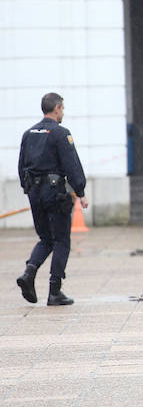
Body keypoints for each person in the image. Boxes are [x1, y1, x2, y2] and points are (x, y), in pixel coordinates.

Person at [16, 92, 88, 306]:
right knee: (61, 241)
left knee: (45, 239)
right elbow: (71, 164)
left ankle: (29, 273)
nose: (63, 112)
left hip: (34, 193)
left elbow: (21, 165)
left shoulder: (29, 133)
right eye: (62, 108)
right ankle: (55, 291)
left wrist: (27, 188)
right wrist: (81, 191)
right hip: (54, 193)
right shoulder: (60, 133)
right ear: (56, 108)